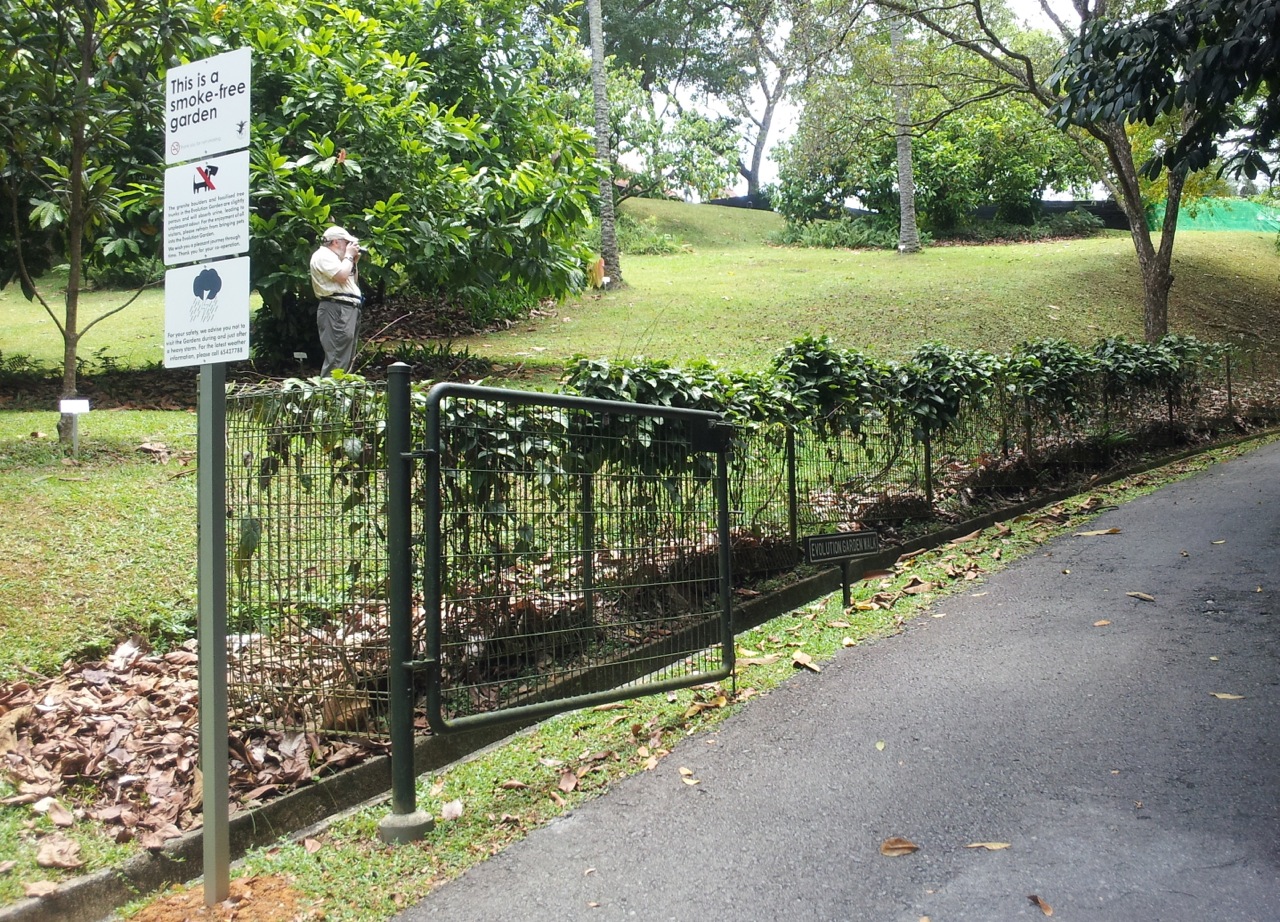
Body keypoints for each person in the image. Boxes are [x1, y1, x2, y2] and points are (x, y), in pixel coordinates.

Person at [311, 225, 364, 376]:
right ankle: (329, 394)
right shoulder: (323, 255)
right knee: (336, 356)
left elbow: (351, 281)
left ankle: (341, 392)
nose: (349, 247)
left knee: (346, 356)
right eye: (347, 243)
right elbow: (341, 277)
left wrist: (352, 261)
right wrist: (348, 256)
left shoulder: (337, 259)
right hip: (336, 308)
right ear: (336, 242)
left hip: (348, 308)